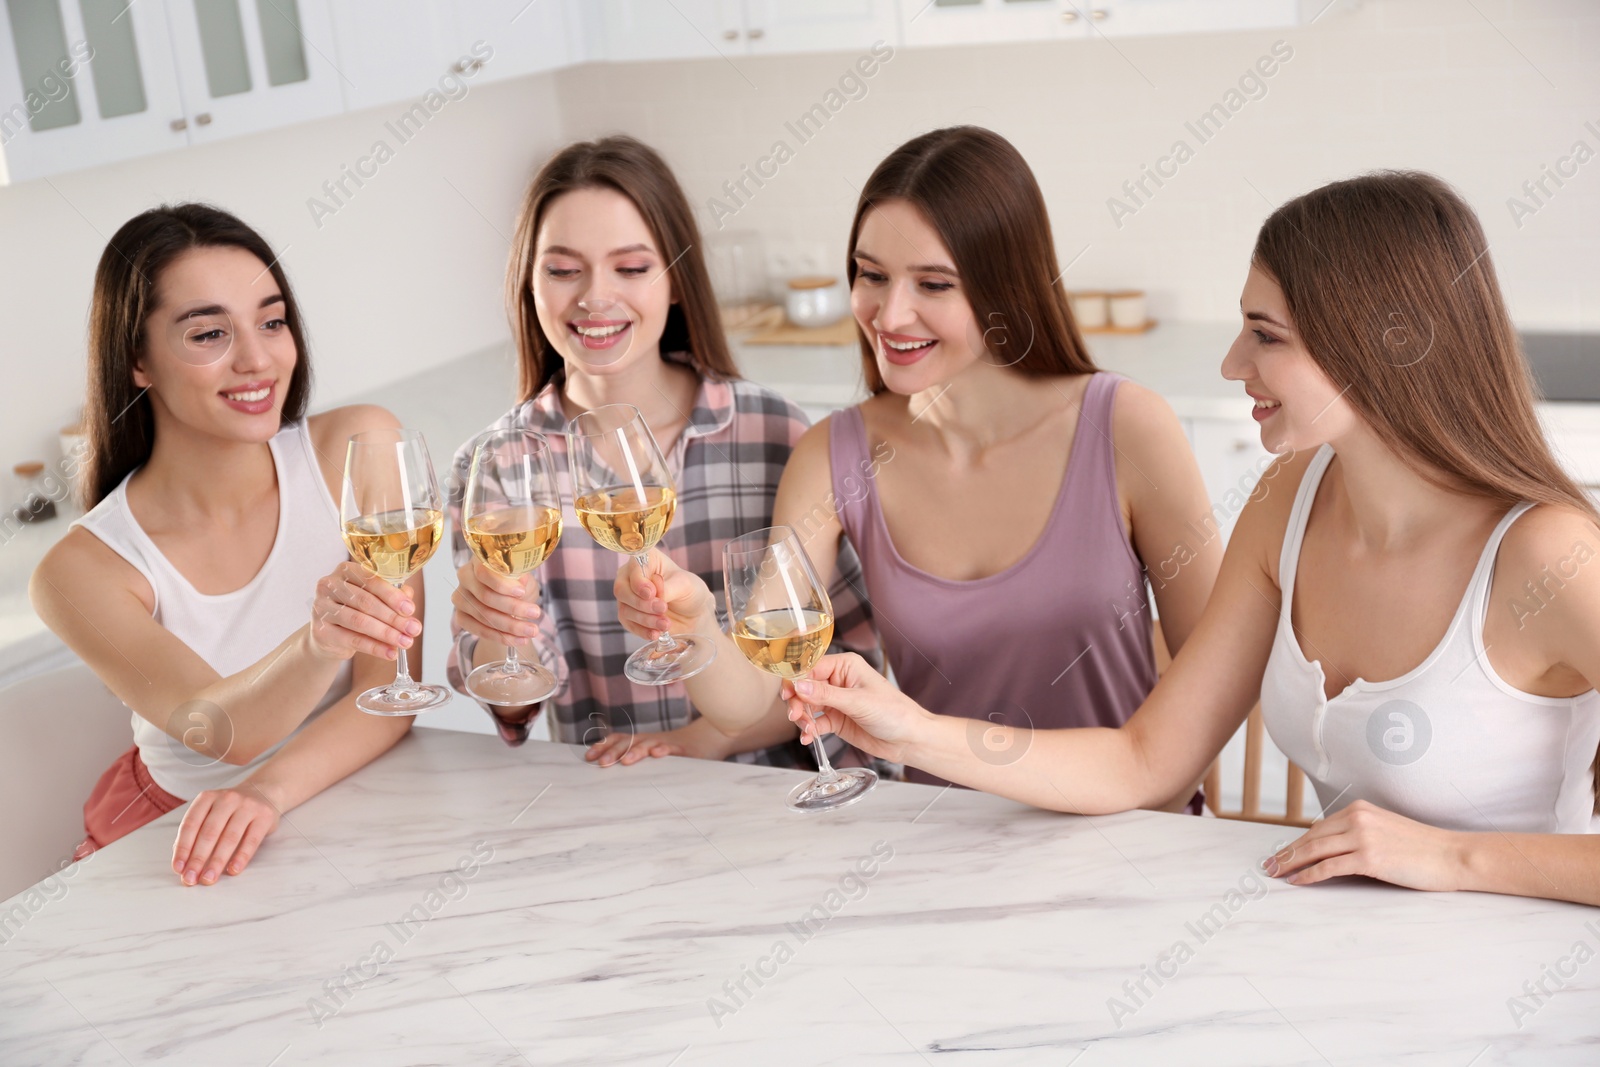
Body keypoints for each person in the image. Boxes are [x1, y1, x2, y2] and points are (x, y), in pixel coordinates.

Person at [784, 171, 1600, 907]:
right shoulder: (1293, 501)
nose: (1231, 361)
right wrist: (911, 726)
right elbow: (1145, 761)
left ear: (1383, 345)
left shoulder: (1549, 559)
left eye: (1266, 335)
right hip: (1353, 956)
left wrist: (1456, 858)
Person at [613, 126, 1222, 809]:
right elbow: (749, 695)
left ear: (1005, 289)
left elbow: (1216, 684)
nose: (889, 313)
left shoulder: (1126, 427)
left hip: (1135, 834)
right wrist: (695, 625)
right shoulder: (833, 456)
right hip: (943, 849)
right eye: (871, 275)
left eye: (933, 283)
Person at [446, 135, 876, 769]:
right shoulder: (499, 465)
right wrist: (493, 635)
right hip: (624, 802)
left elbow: (844, 659)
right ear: (528, 284)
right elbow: (519, 705)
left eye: (632, 267)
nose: (595, 297)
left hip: (785, 791)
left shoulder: (774, 432)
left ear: (676, 281)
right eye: (563, 270)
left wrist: (700, 742)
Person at [32, 204, 424, 887]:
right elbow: (218, 731)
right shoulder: (82, 569)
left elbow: (388, 696)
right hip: (179, 833)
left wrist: (267, 792)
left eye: (272, 321)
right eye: (210, 332)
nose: (257, 358)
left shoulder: (361, 448)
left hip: (332, 791)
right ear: (137, 361)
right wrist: (320, 639)